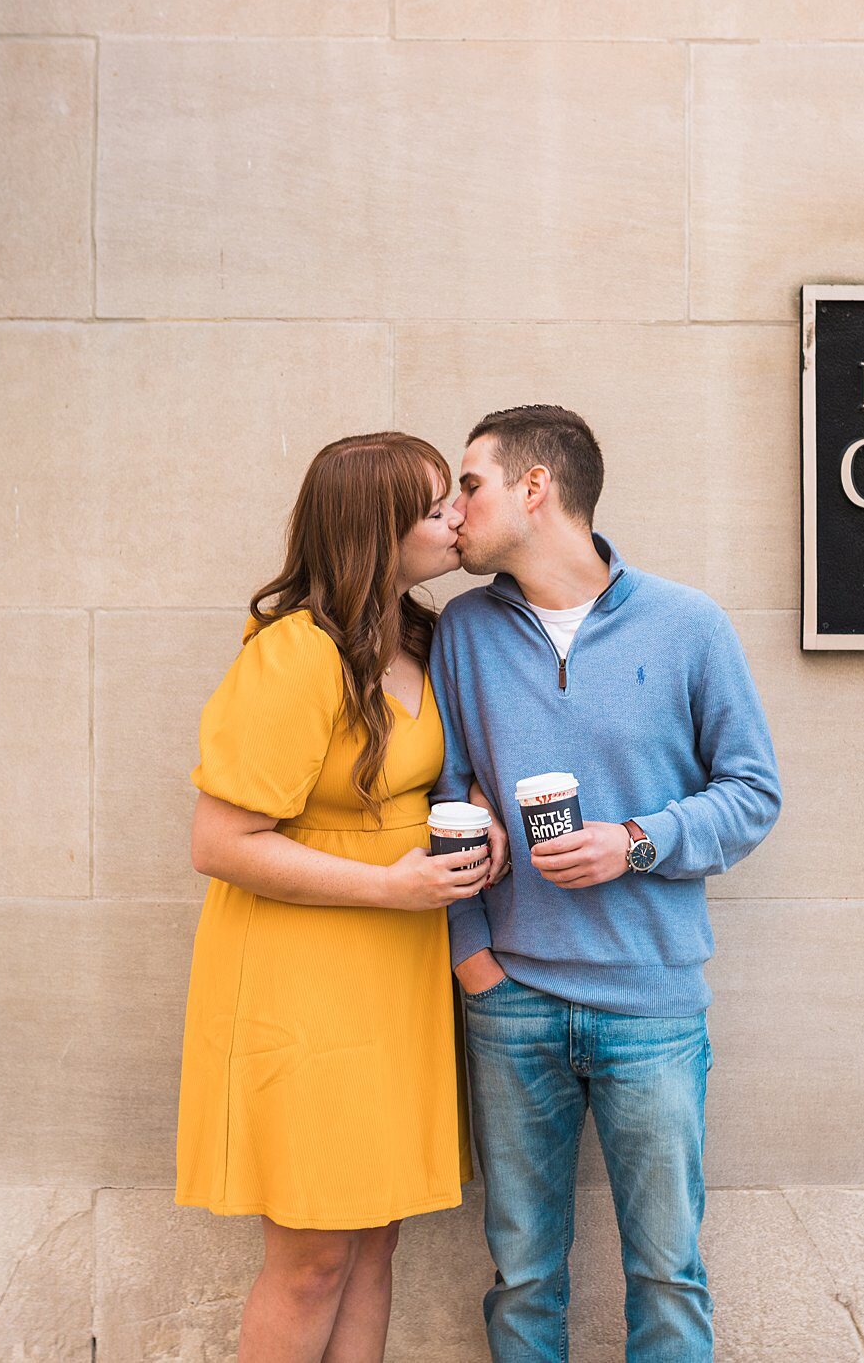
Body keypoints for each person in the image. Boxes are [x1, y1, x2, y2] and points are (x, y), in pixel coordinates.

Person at [430, 405, 783, 1361]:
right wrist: (473, 963)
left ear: (535, 488)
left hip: (652, 1007)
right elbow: (444, 797)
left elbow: (753, 794)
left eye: (472, 483)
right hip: (512, 1002)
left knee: (667, 1277)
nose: (455, 510)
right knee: (523, 1280)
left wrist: (634, 841)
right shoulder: (462, 632)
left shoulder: (689, 625)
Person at [177, 431, 505, 1363]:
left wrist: (475, 820)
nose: (455, 517)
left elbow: (437, 777)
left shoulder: (427, 640)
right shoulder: (294, 656)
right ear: (374, 527)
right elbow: (219, 842)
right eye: (435, 504)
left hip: (395, 977)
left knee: (376, 1236)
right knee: (313, 1255)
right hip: (303, 980)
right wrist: (390, 884)